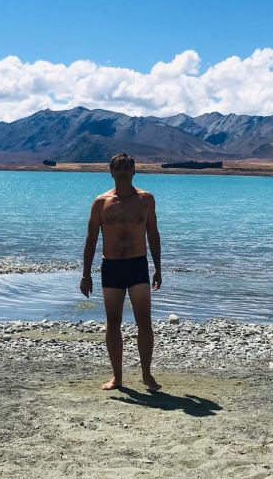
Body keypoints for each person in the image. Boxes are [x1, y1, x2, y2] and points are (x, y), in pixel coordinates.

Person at [80, 152, 162, 391]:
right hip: (112, 266)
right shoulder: (101, 202)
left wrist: (158, 267)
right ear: (111, 172)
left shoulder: (146, 199)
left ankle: (147, 375)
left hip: (137, 264)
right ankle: (117, 377)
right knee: (113, 322)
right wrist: (86, 274)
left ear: (134, 171)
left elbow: (153, 235)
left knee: (144, 321)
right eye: (119, 168)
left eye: (128, 168)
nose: (124, 172)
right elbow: (91, 239)